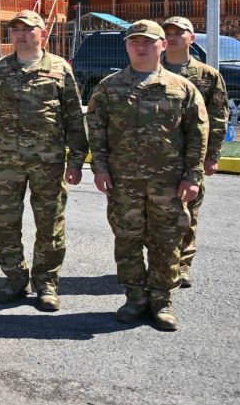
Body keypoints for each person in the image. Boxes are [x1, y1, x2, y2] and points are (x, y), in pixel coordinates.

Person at [87, 20, 207, 331]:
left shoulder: (183, 88)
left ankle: (162, 300)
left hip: (168, 184)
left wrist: (192, 176)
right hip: (123, 182)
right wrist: (99, 167)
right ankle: (135, 297)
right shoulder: (109, 87)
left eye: (148, 41)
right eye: (134, 41)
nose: (140, 46)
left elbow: (197, 135)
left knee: (166, 241)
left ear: (163, 45)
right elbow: (97, 131)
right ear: (127, 46)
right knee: (126, 240)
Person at [0, 10, 87, 312]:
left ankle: (46, 282)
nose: (21, 35)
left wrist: (76, 160)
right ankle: (14, 278)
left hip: (48, 162)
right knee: (3, 222)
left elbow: (74, 117)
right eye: (15, 30)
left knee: (50, 224)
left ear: (42, 32)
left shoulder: (59, 68)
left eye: (27, 29)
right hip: (7, 162)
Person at [161, 16, 228, 288]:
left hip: (192, 158)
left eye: (180, 33)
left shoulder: (207, 75)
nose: (174, 37)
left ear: (192, 38)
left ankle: (183, 264)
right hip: (155, 159)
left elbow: (219, 117)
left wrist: (212, 155)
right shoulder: (150, 70)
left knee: (187, 214)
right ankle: (157, 265)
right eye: (169, 33)